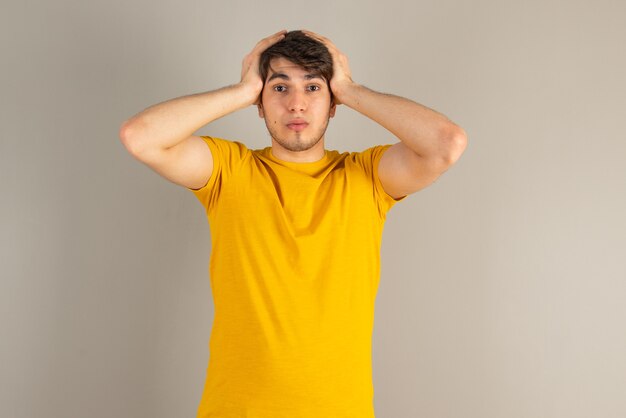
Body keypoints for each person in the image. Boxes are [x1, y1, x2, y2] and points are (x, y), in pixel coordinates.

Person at [119, 29, 467, 418]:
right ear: (260, 102)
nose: (297, 104)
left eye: (314, 88)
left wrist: (349, 89)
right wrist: (241, 89)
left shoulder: (367, 177)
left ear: (333, 103)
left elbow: (446, 144)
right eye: (280, 88)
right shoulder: (230, 171)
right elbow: (140, 137)